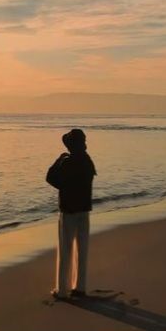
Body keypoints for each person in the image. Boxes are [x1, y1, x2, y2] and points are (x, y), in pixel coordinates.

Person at [45, 128, 96, 300]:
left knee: (65, 250)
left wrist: (59, 160)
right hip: (84, 209)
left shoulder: (67, 162)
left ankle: (62, 290)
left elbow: (50, 178)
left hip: (68, 210)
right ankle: (80, 287)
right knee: (82, 251)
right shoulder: (88, 161)